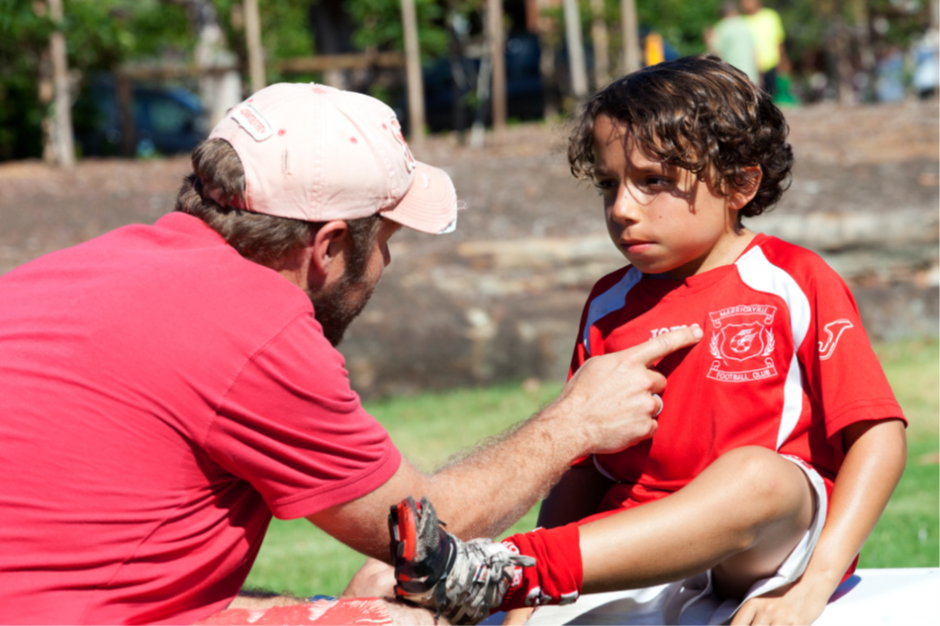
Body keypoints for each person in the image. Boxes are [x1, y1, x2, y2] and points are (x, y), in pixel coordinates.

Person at [0, 83, 702, 625]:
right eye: (386, 242)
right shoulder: (254, 325)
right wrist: (575, 421)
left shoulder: (71, 270)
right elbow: (425, 530)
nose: (385, 265)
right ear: (330, 246)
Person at [388, 56, 907, 626]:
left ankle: (515, 566)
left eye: (653, 181)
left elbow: (878, 436)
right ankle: (511, 575)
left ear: (739, 183)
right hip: (639, 550)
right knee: (389, 596)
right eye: (609, 184)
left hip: (764, 553)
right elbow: (583, 468)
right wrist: (526, 608)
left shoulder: (794, 280)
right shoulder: (607, 305)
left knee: (759, 476)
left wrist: (816, 581)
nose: (621, 209)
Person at [741, 0, 787, 98]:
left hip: (771, 63)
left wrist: (783, 62)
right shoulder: (742, 21)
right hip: (752, 66)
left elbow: (779, 40)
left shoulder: (771, 16)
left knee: (772, 95)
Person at [709, 1, 760, 85]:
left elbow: (714, 54)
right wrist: (759, 74)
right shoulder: (746, 24)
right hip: (751, 76)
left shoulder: (721, 27)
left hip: (733, 77)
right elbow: (755, 52)